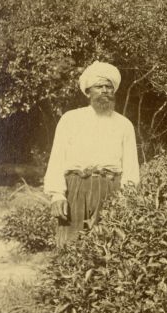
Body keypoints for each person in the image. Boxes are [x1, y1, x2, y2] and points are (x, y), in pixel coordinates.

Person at [43, 61, 140, 247]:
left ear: (114, 91)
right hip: (75, 190)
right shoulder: (70, 119)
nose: (104, 90)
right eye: (99, 86)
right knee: (70, 247)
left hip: (111, 190)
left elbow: (131, 167)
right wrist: (57, 195)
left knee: (111, 248)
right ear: (88, 92)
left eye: (108, 86)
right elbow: (57, 159)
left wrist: (127, 199)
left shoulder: (124, 125)